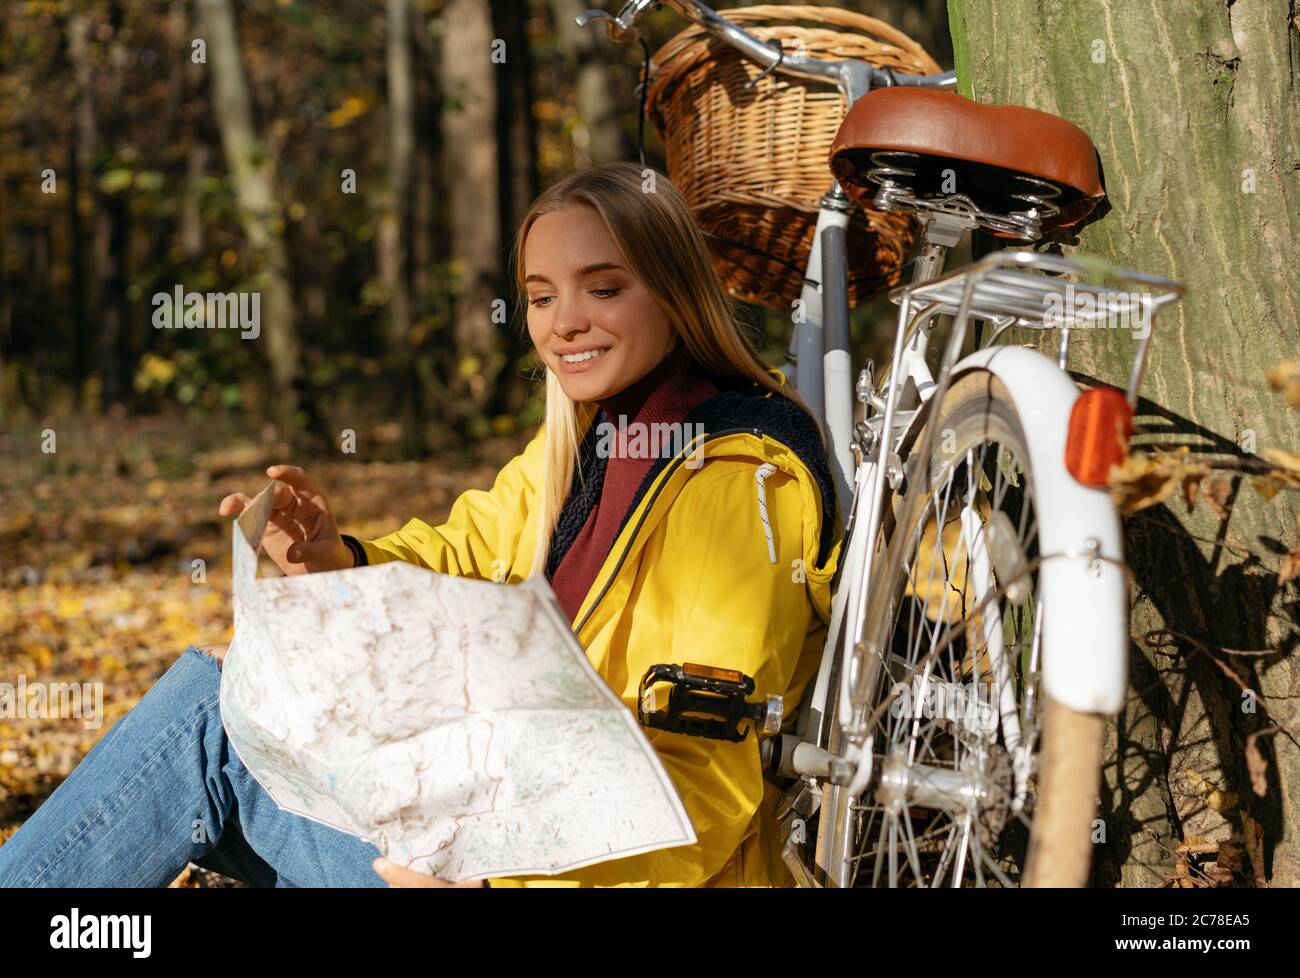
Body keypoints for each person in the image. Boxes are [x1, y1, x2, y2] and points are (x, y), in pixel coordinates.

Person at [0, 161, 841, 888]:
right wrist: (336, 558)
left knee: (204, 734)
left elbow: (705, 781)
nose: (564, 323)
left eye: (604, 288)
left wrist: (499, 878)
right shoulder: (595, 442)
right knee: (226, 717)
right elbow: (465, 555)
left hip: (551, 870)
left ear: (676, 289)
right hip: (485, 832)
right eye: (541, 297)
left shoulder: (740, 481)